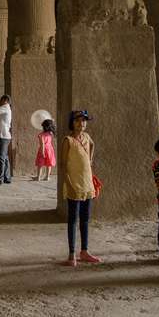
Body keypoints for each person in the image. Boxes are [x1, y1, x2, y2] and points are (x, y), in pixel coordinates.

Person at [60, 110, 100, 265]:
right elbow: (63, 165)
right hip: (74, 184)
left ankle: (84, 251)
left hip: (87, 184)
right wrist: (69, 184)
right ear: (72, 122)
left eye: (84, 121)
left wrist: (89, 162)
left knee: (85, 219)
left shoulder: (87, 137)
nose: (81, 123)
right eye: (77, 120)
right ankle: (71, 254)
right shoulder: (68, 140)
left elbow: (92, 145)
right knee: (73, 220)